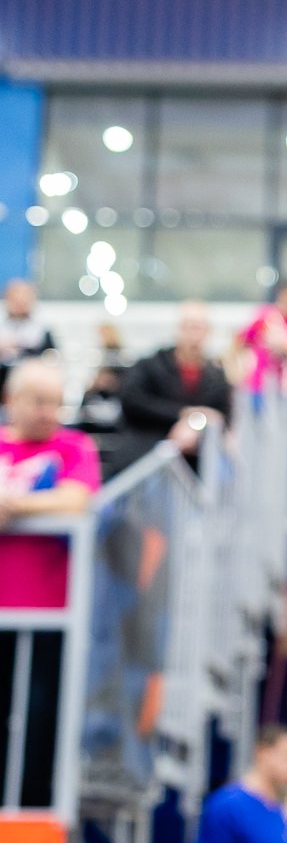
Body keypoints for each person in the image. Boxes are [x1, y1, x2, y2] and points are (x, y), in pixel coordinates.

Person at [0, 360, 102, 805]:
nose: (48, 412)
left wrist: (13, 505)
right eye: (39, 401)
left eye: (56, 403)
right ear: (12, 400)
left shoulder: (73, 446)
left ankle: (30, 807)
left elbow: (77, 498)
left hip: (49, 616)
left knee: (40, 717)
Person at [120, 301, 232, 468]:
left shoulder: (216, 376)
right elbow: (132, 402)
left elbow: (222, 415)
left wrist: (194, 424)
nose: (195, 335)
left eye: (200, 327)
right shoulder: (150, 365)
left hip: (196, 463)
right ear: (179, 329)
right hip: (148, 456)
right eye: (190, 327)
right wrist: (183, 414)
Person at [239, 279, 287, 400]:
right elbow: (240, 341)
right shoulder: (265, 318)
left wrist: (286, 348)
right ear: (283, 294)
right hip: (261, 387)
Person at [0, 280, 58, 400]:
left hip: (31, 388)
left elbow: (51, 359)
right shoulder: (2, 326)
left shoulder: (41, 330)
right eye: (15, 298)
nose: (20, 303)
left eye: (24, 298)